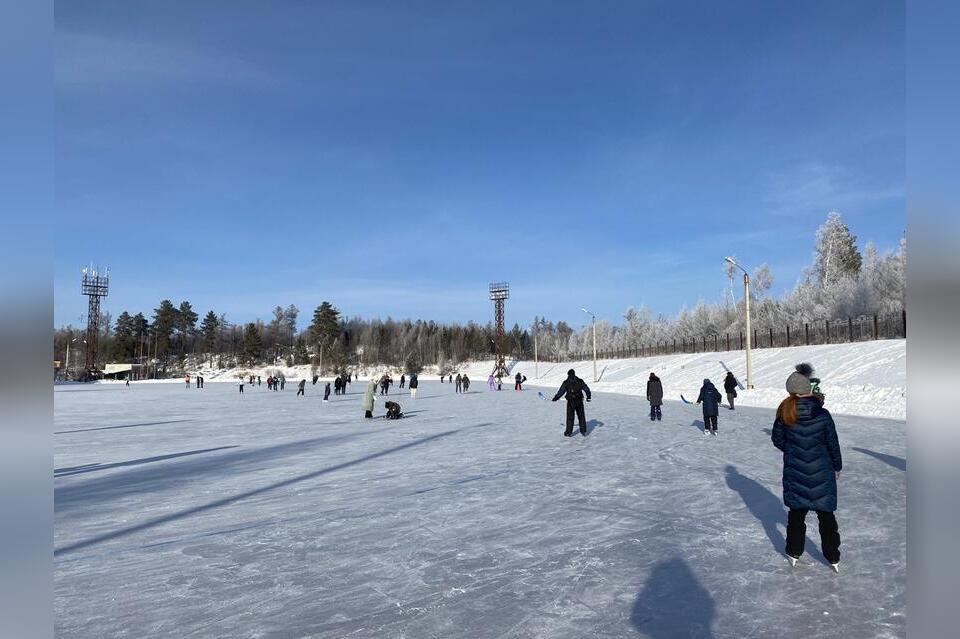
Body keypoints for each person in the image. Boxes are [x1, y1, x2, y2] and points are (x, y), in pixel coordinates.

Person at [772, 363, 842, 572]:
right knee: (826, 516)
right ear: (808, 389)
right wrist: (837, 466)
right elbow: (832, 443)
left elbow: (777, 439)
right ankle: (833, 556)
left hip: (795, 471)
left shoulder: (785, 412)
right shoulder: (822, 414)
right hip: (822, 471)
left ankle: (794, 551)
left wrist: (793, 450)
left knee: (796, 515)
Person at [552, 369, 592, 437]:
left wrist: (556, 397)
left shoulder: (566, 382)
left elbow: (561, 391)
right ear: (574, 374)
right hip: (579, 401)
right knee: (581, 416)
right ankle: (583, 431)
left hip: (571, 402)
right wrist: (588, 396)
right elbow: (586, 389)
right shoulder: (580, 381)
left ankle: (568, 432)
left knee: (570, 418)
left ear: (568, 374)